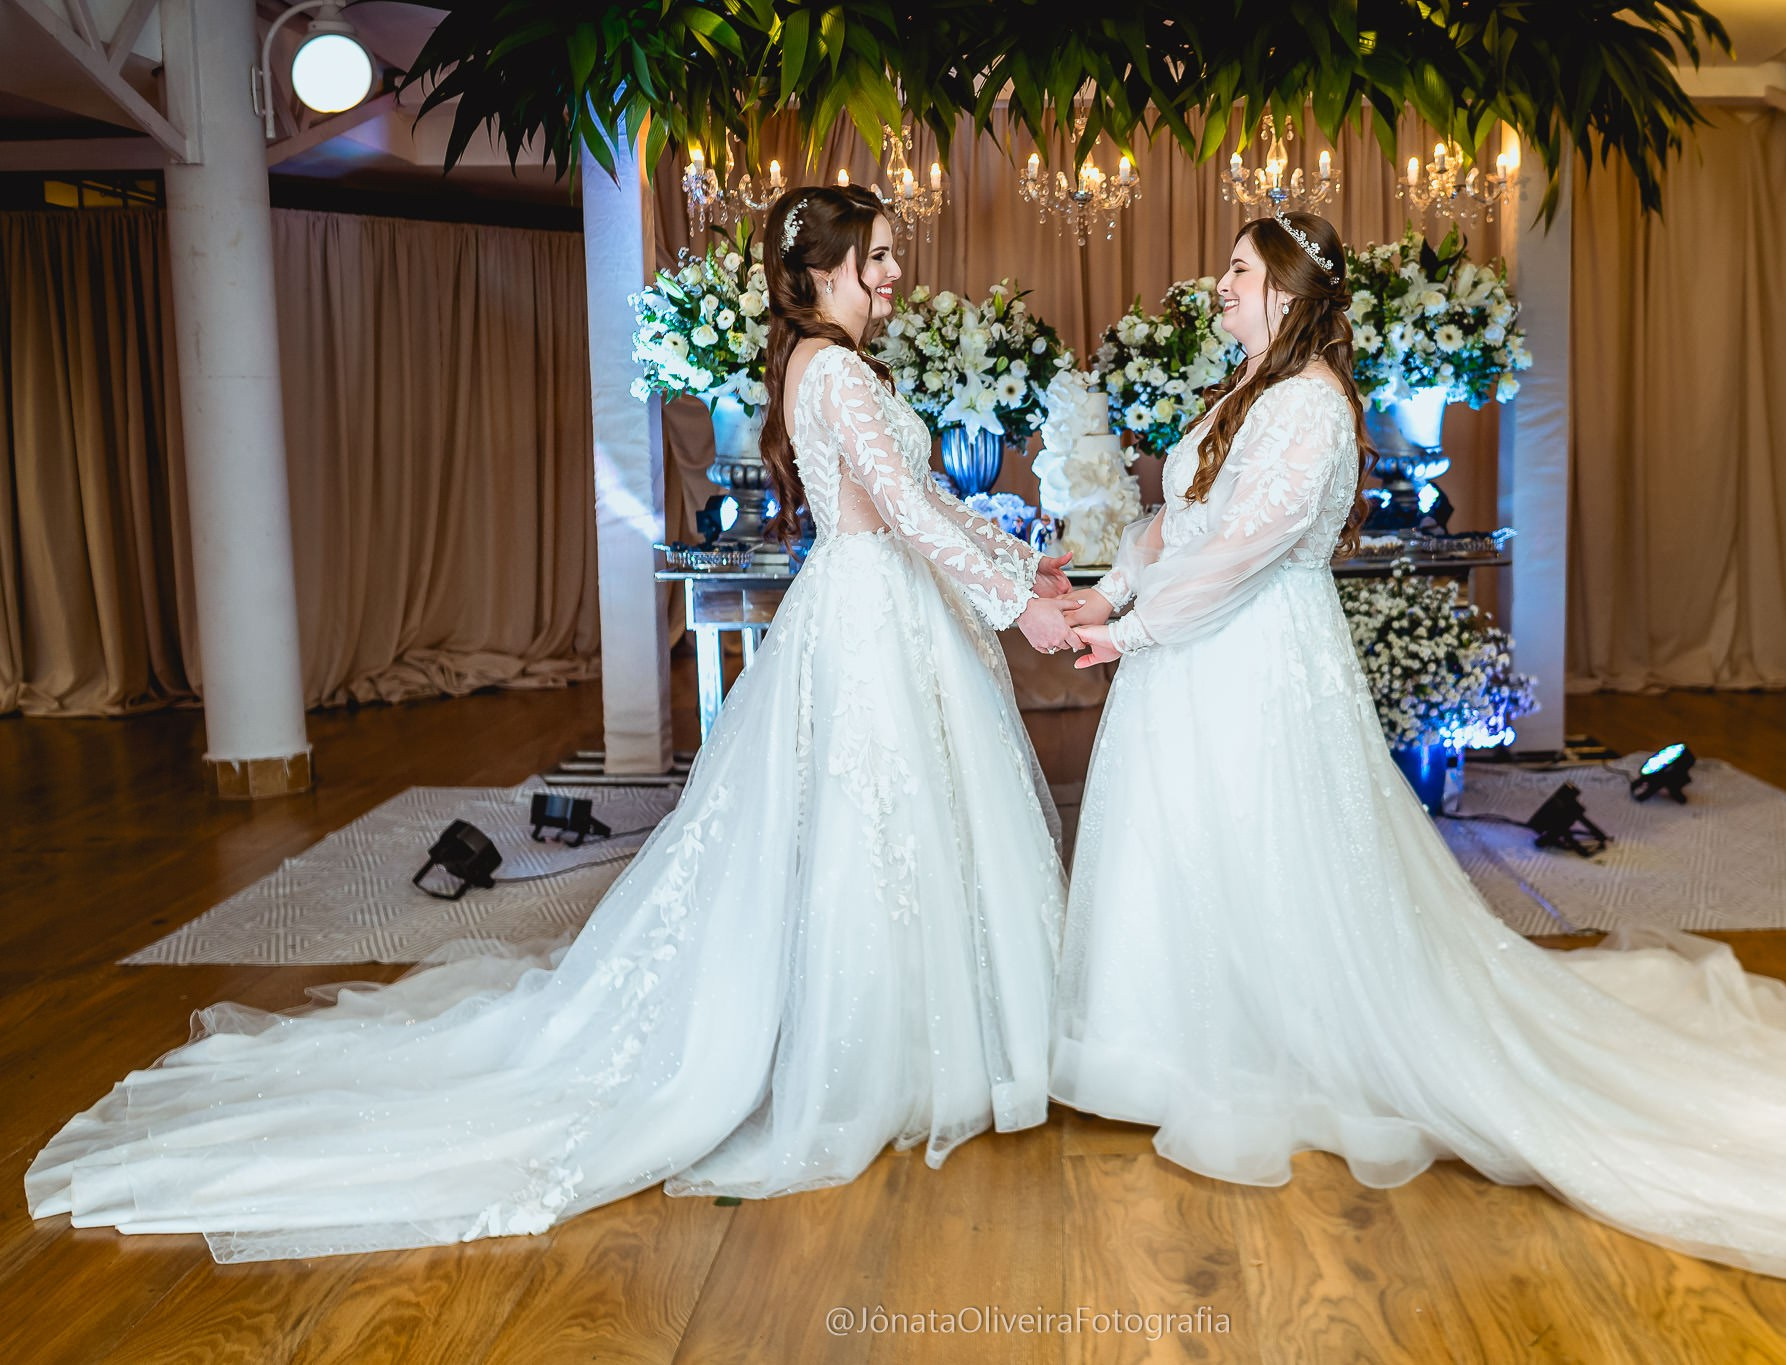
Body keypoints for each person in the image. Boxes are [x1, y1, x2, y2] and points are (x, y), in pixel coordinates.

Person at [26, 185, 1079, 1263]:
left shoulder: (822, 369)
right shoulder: (841, 371)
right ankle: (885, 1052)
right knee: (870, 829)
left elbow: (907, 502)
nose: (895, 274)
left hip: (870, 610)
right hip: (869, 619)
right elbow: (898, 512)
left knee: (867, 833)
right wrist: (1021, 603)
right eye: (880, 257)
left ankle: (899, 1038)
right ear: (821, 269)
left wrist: (1010, 559)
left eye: (894, 256)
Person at [1050, 212, 1786, 1290]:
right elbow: (1175, 527)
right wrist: (1109, 589)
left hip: (1253, 661)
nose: (1215, 285)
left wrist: (1124, 633)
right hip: (1194, 656)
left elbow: (1240, 549)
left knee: (1269, 850)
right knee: (1192, 848)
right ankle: (1170, 1042)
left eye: (1235, 271)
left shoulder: (1308, 408)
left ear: (1287, 289)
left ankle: (1269, 1048)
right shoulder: (1243, 395)